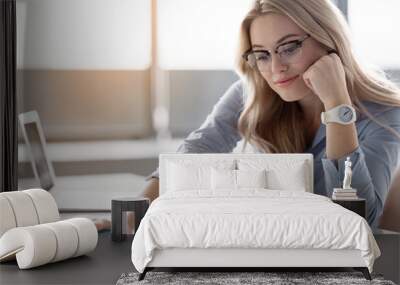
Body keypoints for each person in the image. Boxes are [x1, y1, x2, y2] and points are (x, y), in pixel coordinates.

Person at [141, 0, 400, 229]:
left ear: (328, 39)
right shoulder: (253, 93)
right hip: (272, 248)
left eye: (289, 48)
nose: (276, 68)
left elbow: (360, 219)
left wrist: (336, 105)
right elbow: (199, 147)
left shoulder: (384, 111)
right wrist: (135, 213)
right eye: (262, 55)